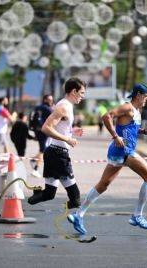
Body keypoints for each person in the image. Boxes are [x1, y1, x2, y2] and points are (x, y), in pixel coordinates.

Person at [67, 83, 147, 235]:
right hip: (125, 151)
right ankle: (137, 215)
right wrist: (115, 136)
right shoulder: (127, 107)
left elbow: (130, 129)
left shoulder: (136, 110)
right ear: (138, 95)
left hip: (118, 151)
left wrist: (145, 131)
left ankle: (78, 215)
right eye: (146, 96)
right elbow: (106, 116)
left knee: (103, 185)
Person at [27, 77, 86, 209]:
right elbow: (46, 128)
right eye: (82, 93)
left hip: (53, 153)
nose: (83, 96)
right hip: (58, 155)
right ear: (73, 91)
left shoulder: (67, 106)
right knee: (75, 198)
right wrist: (68, 139)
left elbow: (60, 127)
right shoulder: (64, 107)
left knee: (49, 194)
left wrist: (72, 131)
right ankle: (74, 218)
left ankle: (24, 202)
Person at [29, 94, 54, 178]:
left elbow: (31, 118)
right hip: (44, 131)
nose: (51, 101)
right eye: (50, 100)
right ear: (45, 100)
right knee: (43, 150)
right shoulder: (48, 109)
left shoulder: (37, 107)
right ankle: (35, 169)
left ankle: (33, 159)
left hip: (37, 130)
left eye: (52, 99)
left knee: (43, 149)